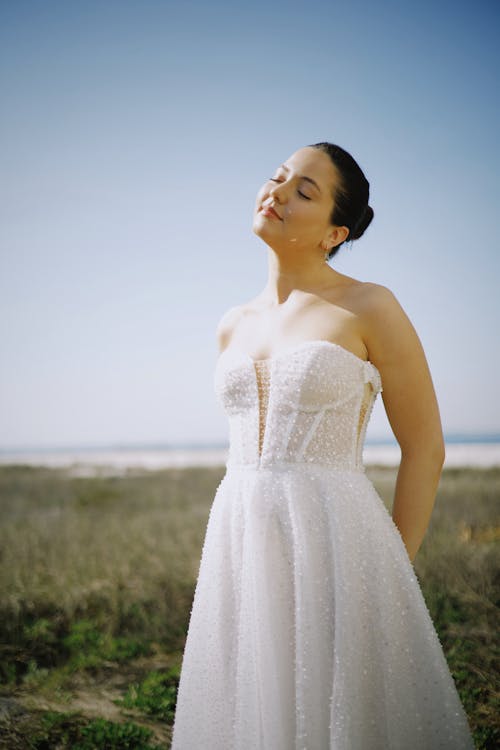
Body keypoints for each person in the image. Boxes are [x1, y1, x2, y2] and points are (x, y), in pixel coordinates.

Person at [170, 143, 475, 749]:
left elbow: (426, 448)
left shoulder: (370, 305)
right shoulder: (232, 323)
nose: (278, 192)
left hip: (339, 540)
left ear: (336, 231)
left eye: (304, 190)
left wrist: (390, 569)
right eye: (279, 177)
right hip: (239, 535)